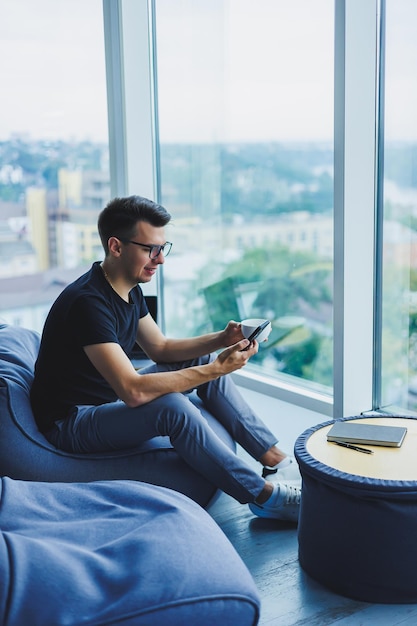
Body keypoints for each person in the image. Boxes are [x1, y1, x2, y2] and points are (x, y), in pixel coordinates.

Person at [30, 195, 301, 522]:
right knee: (174, 407)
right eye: (150, 249)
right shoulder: (88, 303)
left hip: (106, 400)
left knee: (200, 358)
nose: (160, 259)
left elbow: (160, 348)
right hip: (71, 422)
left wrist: (222, 338)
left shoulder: (128, 286)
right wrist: (216, 369)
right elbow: (133, 391)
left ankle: (276, 460)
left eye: (163, 248)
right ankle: (263, 497)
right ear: (116, 247)